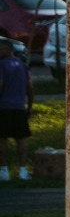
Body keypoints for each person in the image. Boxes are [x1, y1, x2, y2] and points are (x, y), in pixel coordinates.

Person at [0, 38, 32, 181]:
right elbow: (29, 87)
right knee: (21, 139)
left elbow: (0, 84)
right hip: (19, 107)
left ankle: (4, 170)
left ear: (8, 50)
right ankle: (23, 170)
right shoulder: (22, 65)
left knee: (2, 139)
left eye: (0, 49)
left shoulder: (1, 65)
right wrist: (30, 105)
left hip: (4, 106)